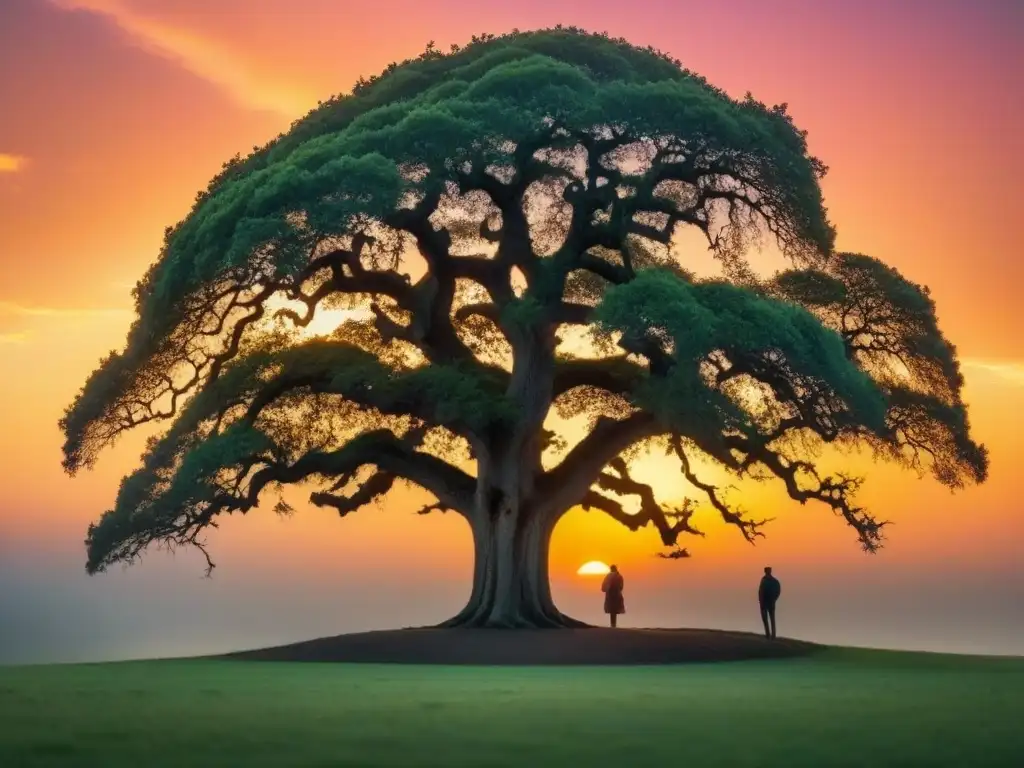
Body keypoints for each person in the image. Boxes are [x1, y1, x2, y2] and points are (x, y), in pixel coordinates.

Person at [758, 566, 781, 639]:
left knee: (768, 619)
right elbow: (778, 591)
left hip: (766, 602)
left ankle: (770, 634)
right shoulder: (774, 581)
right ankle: (770, 634)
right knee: (770, 619)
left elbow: (761, 591)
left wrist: (762, 601)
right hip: (768, 602)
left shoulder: (766, 581)